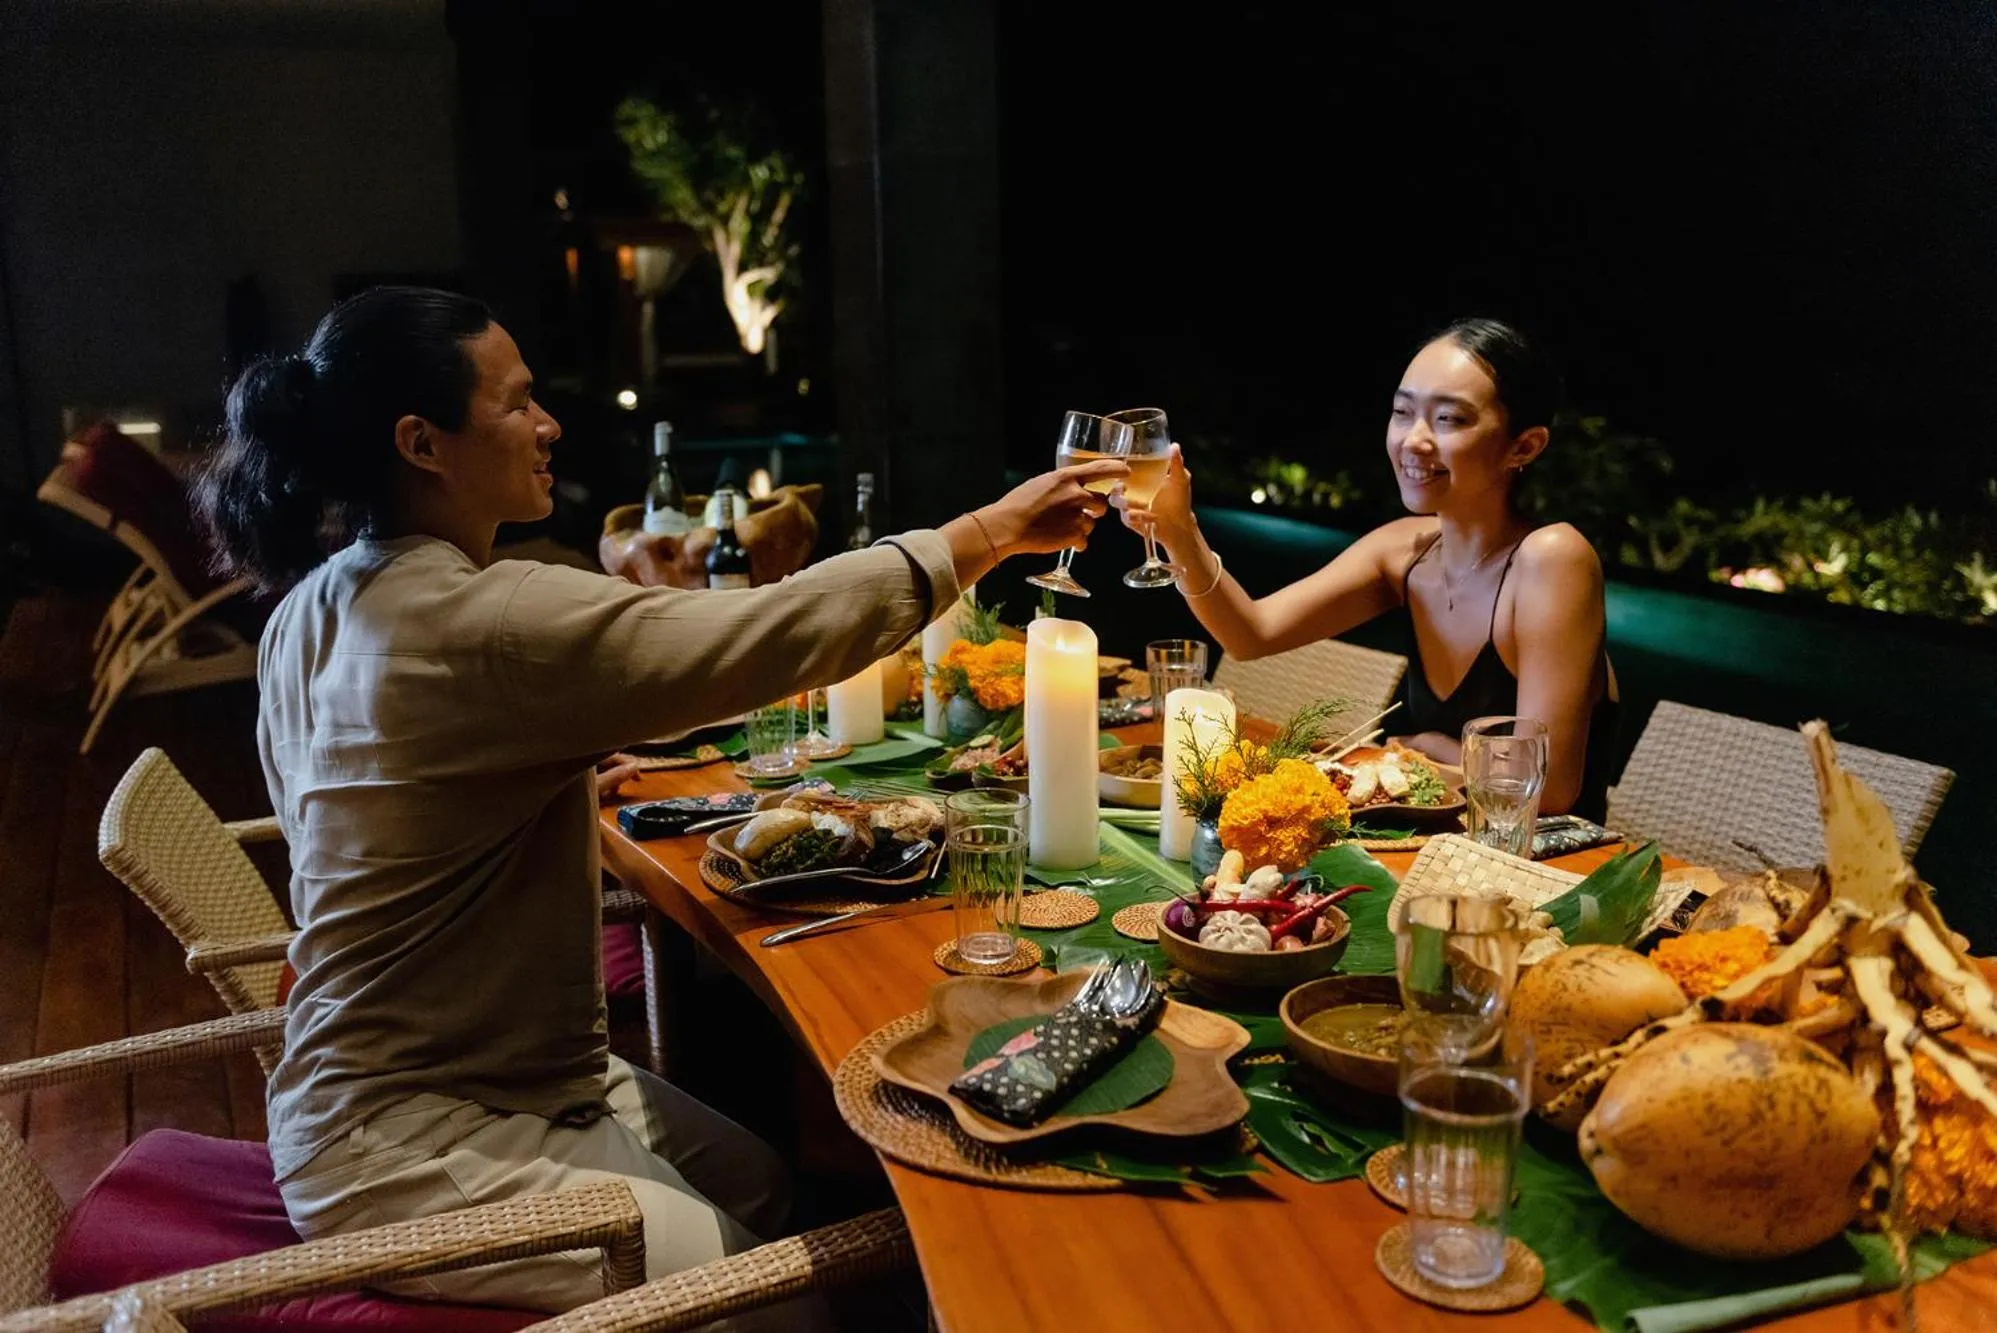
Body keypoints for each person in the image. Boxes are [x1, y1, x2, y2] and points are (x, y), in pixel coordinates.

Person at [194, 285, 1125, 1318]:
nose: (547, 426)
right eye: (514, 405)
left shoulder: (312, 605)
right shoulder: (485, 614)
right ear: (423, 442)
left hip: (462, 1082)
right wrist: (986, 532)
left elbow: (371, 795)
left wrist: (513, 780)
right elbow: (759, 634)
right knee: (771, 1299)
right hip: (411, 1138)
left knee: (760, 1179)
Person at [1119, 317, 1616, 816]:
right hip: (1432, 849)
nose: (1413, 440)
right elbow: (1251, 635)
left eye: (1450, 420)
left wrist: (1434, 745)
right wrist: (1180, 534)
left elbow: (1547, 790)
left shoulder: (1552, 558)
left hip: (1553, 873)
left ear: (1523, 446)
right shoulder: (1406, 549)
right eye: (1403, 412)